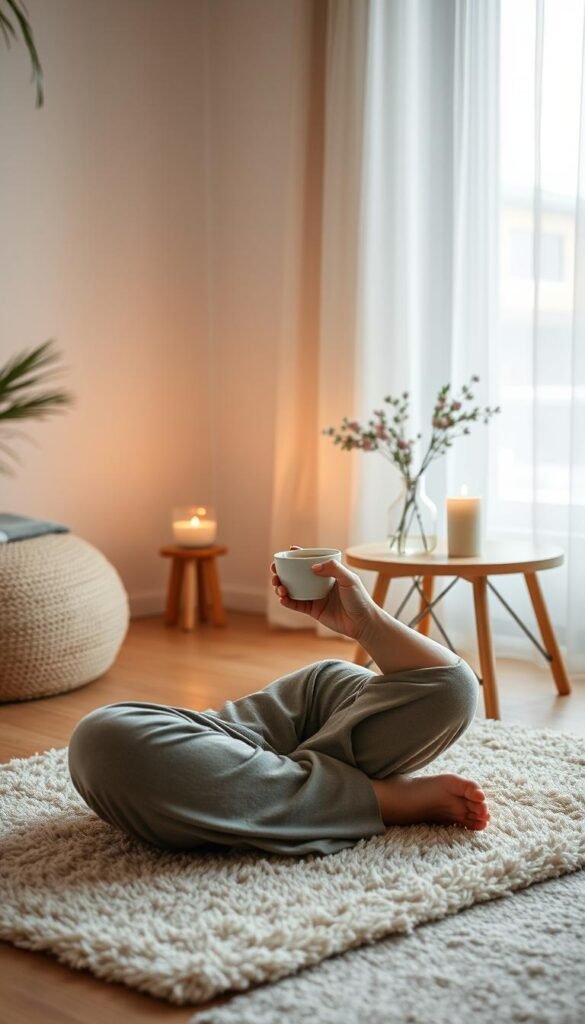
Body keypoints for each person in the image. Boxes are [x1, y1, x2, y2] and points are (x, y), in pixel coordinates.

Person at [68, 556, 490, 856]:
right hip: (227, 739)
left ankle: (298, 788)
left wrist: (364, 623)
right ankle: (380, 799)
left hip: (306, 709)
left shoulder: (317, 692)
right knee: (105, 738)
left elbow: (451, 685)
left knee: (455, 691)